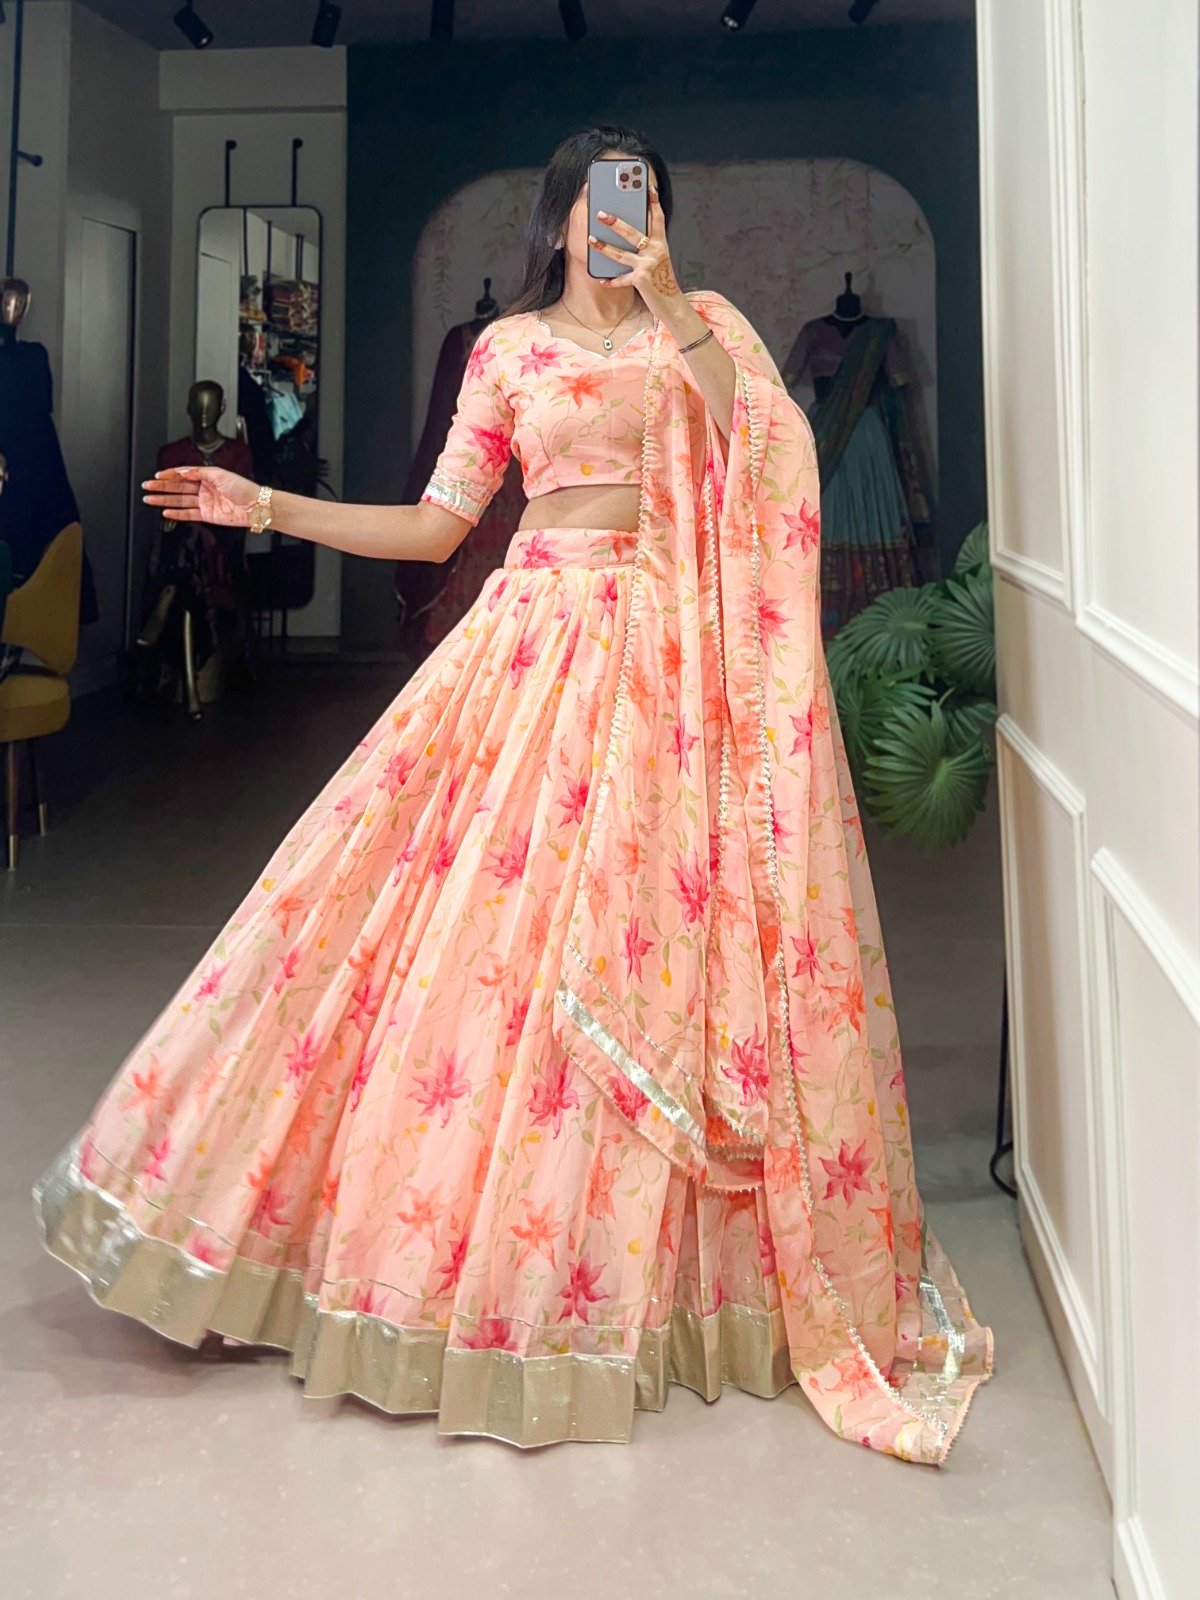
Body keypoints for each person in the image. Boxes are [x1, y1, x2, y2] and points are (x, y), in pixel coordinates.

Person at [32, 126, 993, 1464]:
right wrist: (265, 507)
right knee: (468, 943)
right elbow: (436, 528)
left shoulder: (706, 327)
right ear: (556, 220)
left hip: (672, 677)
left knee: (655, 953)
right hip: (531, 648)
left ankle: (659, 1289)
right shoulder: (506, 352)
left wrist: (671, 302)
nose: (621, 219)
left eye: (643, 198)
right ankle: (450, 1263)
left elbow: (771, 462)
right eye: (600, 200)